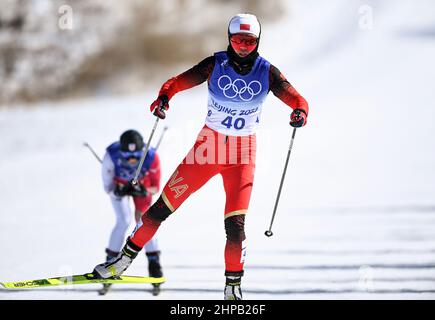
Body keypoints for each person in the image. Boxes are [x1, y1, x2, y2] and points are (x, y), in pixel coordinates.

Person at [93, 13, 309, 300]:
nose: (243, 47)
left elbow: (298, 100)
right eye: (237, 40)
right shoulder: (214, 64)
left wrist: (299, 112)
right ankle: (121, 263)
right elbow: (176, 82)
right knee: (159, 211)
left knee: (235, 227)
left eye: (249, 41)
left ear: (258, 42)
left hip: (242, 156)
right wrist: (163, 99)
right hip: (206, 151)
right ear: (229, 39)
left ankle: (232, 288)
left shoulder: (267, 72)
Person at [100, 129, 164, 295]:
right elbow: (108, 187)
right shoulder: (110, 156)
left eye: (136, 155)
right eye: (127, 156)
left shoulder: (151, 156)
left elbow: (155, 187)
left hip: (142, 187)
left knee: (144, 221)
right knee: (123, 220)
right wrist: (118, 191)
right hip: (118, 186)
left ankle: (154, 264)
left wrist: (144, 190)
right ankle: (110, 263)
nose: (132, 159)